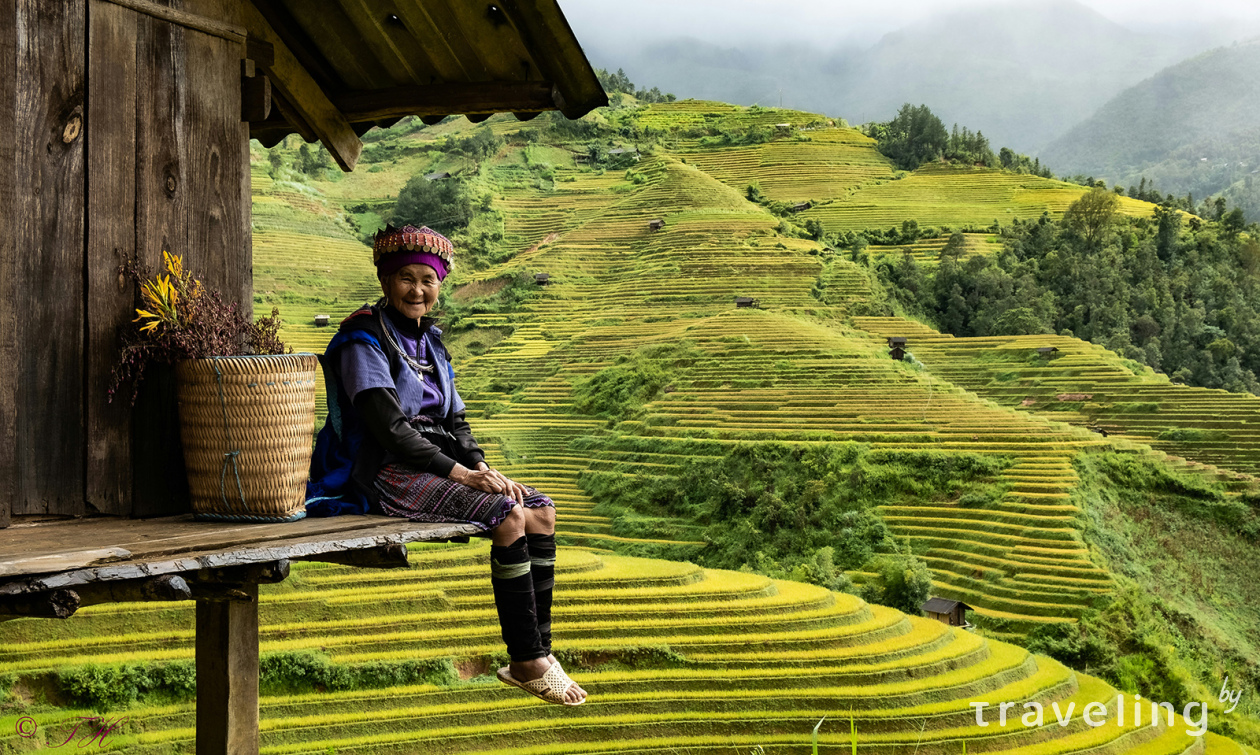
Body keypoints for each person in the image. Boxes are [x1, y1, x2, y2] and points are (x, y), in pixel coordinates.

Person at [304, 223, 586, 706]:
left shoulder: (432, 343)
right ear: (385, 280)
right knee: (507, 514)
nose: (418, 290)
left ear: (440, 286)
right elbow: (389, 428)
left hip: (440, 461)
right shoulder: (361, 340)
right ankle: (526, 659)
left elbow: (457, 420)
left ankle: (539, 651)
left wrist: (482, 465)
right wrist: (463, 475)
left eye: (428, 280)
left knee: (540, 509)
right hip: (385, 467)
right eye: (406, 278)